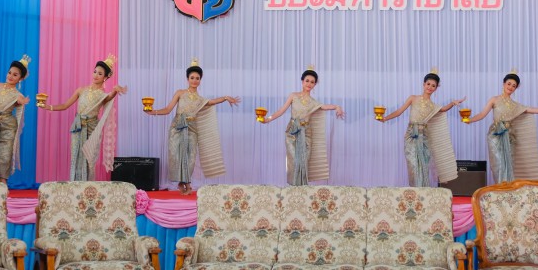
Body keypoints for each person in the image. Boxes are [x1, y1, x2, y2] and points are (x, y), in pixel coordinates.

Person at [146, 60, 240, 194]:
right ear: (187, 79)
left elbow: (212, 101)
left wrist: (225, 98)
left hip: (192, 129)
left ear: (200, 80)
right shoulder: (180, 93)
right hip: (177, 128)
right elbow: (167, 109)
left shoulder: (201, 100)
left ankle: (186, 182)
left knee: (190, 158)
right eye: (192, 78)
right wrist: (153, 112)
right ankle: (181, 181)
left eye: (197, 78)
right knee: (176, 155)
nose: (195, 80)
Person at [39, 55, 126, 181]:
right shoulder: (81, 90)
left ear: (105, 77)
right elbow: (65, 105)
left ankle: (88, 187)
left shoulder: (102, 95)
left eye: (100, 73)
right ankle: (76, 185)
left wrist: (116, 90)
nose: (96, 75)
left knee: (89, 159)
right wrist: (48, 107)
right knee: (75, 156)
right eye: (95, 71)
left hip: (92, 128)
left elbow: (109, 97)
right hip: (78, 127)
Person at [380, 70, 465, 187]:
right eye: (428, 84)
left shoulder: (433, 106)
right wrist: (385, 118)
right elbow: (399, 111)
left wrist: (453, 103)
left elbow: (443, 109)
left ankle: (423, 191)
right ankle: (415, 191)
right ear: (424, 84)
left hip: (424, 137)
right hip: (411, 135)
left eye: (433, 86)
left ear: (436, 88)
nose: (430, 87)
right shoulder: (413, 98)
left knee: (424, 164)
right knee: (413, 165)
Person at [262, 68, 344, 186]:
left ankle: (303, 189)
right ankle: (294, 188)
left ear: (315, 84)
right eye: (307, 81)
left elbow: (325, 106)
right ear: (302, 81)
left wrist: (337, 107)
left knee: (304, 161)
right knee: (294, 160)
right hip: (292, 132)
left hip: (306, 134)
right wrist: (267, 119)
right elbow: (281, 111)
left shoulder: (314, 102)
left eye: (312, 82)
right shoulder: (293, 96)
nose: (309, 84)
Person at [466, 71, 538, 183]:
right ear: (504, 84)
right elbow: (482, 114)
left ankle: (507, 188)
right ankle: (500, 187)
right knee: (498, 163)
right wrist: (470, 120)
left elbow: (529, 109)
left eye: (514, 86)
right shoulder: (494, 99)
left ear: (516, 88)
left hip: (510, 136)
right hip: (495, 135)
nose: (510, 87)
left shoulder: (515, 105)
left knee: (509, 164)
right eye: (509, 84)